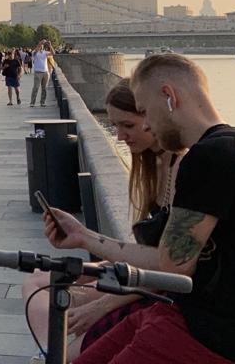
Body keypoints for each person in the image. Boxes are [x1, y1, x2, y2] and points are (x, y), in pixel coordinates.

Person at [43, 54, 235, 364]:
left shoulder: (208, 157)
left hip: (208, 334)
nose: (147, 123)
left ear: (169, 96)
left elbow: (172, 265)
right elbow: (170, 259)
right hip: (178, 311)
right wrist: (84, 236)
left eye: (145, 111)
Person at [23, 79, 184, 360]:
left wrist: (101, 305)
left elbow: (170, 268)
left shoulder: (183, 167)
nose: (120, 136)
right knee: (37, 283)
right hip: (140, 273)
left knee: (67, 329)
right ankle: (50, 352)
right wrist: (95, 258)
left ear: (152, 116)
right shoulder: (152, 165)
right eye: (115, 126)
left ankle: (55, 354)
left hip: (152, 287)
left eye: (128, 125)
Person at [30, 40, 57, 107]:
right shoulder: (35, 52)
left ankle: (42, 102)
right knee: (36, 87)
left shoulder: (45, 53)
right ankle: (32, 102)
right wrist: (40, 42)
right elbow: (36, 51)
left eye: (42, 46)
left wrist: (50, 45)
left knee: (44, 88)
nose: (41, 47)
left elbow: (53, 53)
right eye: (40, 46)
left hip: (45, 72)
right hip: (38, 72)